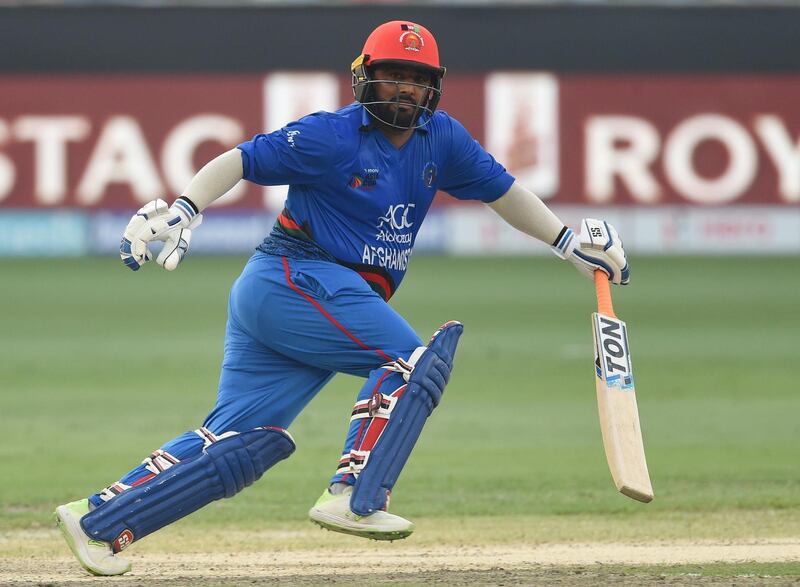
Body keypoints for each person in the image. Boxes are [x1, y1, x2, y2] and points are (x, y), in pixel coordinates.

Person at [53, 20, 629, 577]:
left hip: (300, 298)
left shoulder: (442, 139)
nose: (405, 89)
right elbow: (242, 159)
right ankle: (352, 493)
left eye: (417, 78)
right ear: (364, 78)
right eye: (393, 75)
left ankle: (98, 519)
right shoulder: (331, 134)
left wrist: (569, 246)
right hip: (295, 275)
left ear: (434, 87)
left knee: (240, 443)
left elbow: (504, 192)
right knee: (410, 361)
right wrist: (185, 208)